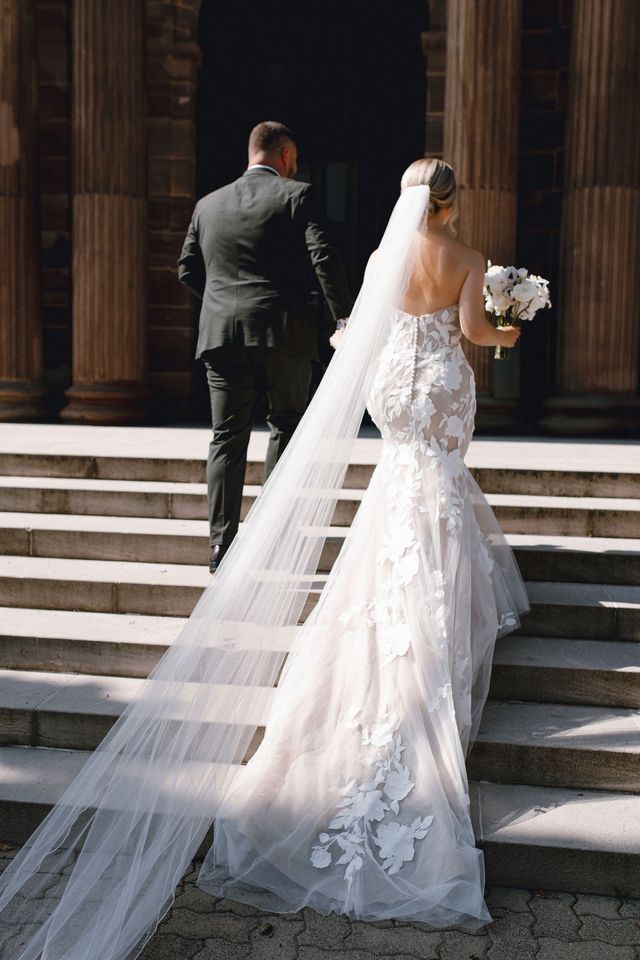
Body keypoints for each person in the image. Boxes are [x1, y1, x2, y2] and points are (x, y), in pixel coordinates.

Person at [0, 160, 528, 959]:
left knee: (395, 500)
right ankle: (434, 640)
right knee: (438, 487)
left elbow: (363, 333)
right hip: (439, 385)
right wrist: (511, 322)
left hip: (394, 386)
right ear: (454, 201)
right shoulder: (467, 259)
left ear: (406, 198)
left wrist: (357, 339)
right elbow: (475, 334)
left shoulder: (389, 259)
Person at [178, 121, 352, 572]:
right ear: (287, 155)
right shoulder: (297, 195)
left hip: (221, 334)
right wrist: (344, 316)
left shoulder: (207, 204)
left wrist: (222, 304)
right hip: (282, 332)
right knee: (287, 427)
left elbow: (187, 270)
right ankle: (271, 539)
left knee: (226, 438)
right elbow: (323, 258)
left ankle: (221, 545)